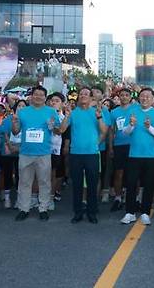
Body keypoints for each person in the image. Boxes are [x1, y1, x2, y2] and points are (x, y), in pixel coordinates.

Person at [60, 87, 107, 224]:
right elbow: (62, 129)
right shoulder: (73, 113)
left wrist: (99, 118)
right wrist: (67, 116)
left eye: (86, 94)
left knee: (92, 185)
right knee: (77, 185)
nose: (83, 96)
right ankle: (78, 212)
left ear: (91, 97)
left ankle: (92, 212)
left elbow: (104, 131)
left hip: (92, 154)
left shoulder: (96, 112)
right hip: (76, 154)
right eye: (81, 94)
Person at [12, 86, 59, 221]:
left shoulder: (51, 111)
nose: (38, 97)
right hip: (26, 152)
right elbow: (16, 131)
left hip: (44, 153)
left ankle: (43, 208)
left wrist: (52, 125)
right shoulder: (23, 112)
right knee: (24, 182)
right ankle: (24, 208)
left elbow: (57, 131)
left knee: (44, 182)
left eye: (41, 95)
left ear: (45, 98)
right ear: (31, 96)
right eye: (36, 95)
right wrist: (14, 123)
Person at [120, 88, 154, 226]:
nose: (144, 98)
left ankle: (145, 213)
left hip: (151, 155)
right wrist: (131, 125)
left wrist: (149, 127)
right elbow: (125, 132)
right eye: (142, 96)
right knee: (131, 183)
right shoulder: (133, 111)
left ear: (152, 99)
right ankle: (130, 213)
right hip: (134, 154)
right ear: (139, 98)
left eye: (147, 96)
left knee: (148, 184)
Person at [109, 88, 134, 212]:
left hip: (133, 146)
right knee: (119, 173)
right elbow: (111, 131)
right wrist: (110, 147)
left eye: (126, 95)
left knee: (132, 173)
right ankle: (118, 198)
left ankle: (130, 198)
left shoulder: (135, 110)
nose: (124, 97)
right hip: (118, 145)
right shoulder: (114, 112)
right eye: (122, 95)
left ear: (130, 97)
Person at [0, 100, 25, 209]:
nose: (21, 107)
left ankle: (19, 199)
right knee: (7, 174)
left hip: (22, 151)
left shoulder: (27, 120)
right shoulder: (7, 120)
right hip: (8, 150)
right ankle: (7, 198)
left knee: (21, 175)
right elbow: (5, 133)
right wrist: (10, 146)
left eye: (24, 106)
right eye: (19, 105)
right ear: (15, 108)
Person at [48, 93, 66, 207]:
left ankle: (51, 197)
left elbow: (60, 131)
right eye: (52, 100)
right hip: (43, 148)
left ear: (63, 104)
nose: (53, 102)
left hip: (56, 149)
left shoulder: (64, 118)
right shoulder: (45, 114)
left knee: (53, 174)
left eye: (57, 100)